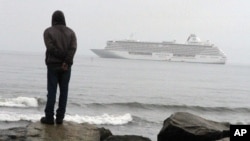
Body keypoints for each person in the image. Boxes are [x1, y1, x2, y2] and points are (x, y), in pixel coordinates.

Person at [41, 10, 77, 124]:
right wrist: (66, 61)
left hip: (53, 65)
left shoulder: (48, 32)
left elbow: (51, 48)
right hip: (66, 67)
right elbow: (73, 48)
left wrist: (61, 58)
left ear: (53, 19)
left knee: (51, 91)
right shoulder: (71, 32)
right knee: (64, 91)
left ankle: (49, 117)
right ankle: (60, 118)